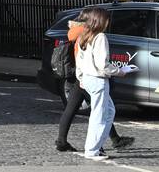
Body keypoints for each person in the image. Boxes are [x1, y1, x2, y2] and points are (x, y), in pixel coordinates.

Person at [56, 16, 134, 153]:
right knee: (102, 111)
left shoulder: (76, 33)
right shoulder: (88, 33)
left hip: (80, 76)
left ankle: (62, 141)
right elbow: (100, 63)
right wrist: (119, 72)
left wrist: (80, 77)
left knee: (76, 110)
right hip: (90, 76)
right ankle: (101, 144)